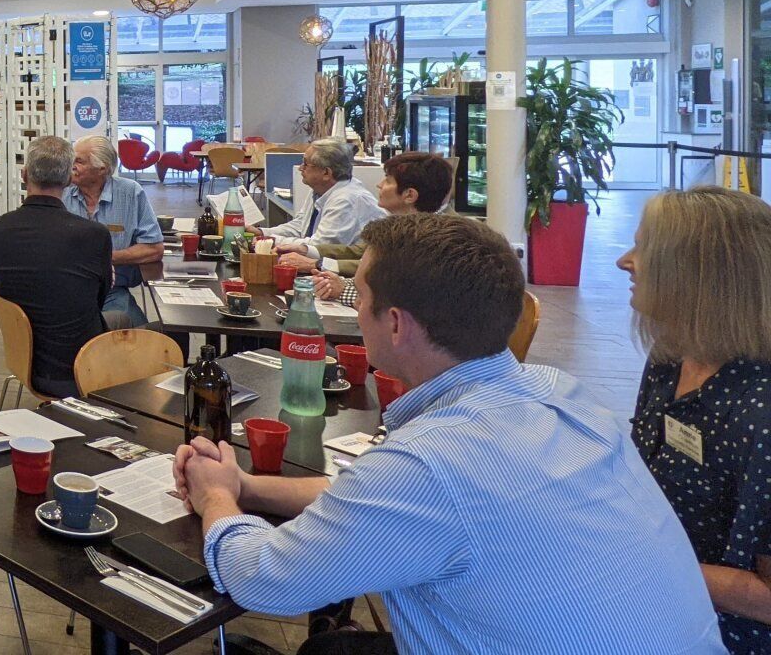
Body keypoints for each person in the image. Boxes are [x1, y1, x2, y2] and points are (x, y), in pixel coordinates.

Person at [173, 212, 723, 655]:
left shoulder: (428, 464)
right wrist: (247, 486)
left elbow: (261, 579)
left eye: (357, 299)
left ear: (394, 324)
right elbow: (389, 501)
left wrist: (216, 497)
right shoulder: (561, 393)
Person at [622, 186, 771, 651]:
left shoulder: (759, 410)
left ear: (698, 275)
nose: (624, 261)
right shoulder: (671, 358)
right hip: (657, 603)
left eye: (644, 250)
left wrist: (636, 560)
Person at [0, 136, 110, 397]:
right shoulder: (93, 234)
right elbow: (100, 299)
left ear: (24, 174)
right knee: (128, 320)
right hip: (79, 366)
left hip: (24, 359)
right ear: (67, 179)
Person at [296, 152, 453, 306]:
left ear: (410, 195)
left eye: (388, 180)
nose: (380, 185)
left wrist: (342, 290)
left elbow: (401, 299)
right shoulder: (403, 224)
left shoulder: (440, 239)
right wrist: (335, 281)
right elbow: (362, 253)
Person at [65, 134, 164, 329]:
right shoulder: (62, 192)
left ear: (101, 168)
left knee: (138, 339)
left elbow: (154, 248)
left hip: (112, 290)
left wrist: (104, 258)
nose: (71, 166)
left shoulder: (130, 193)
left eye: (79, 161)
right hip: (68, 289)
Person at [255, 138, 383, 257]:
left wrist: (273, 240)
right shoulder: (321, 190)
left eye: (305, 164)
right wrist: (262, 233)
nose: (300, 168)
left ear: (326, 173)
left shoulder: (346, 200)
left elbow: (319, 247)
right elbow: (300, 226)